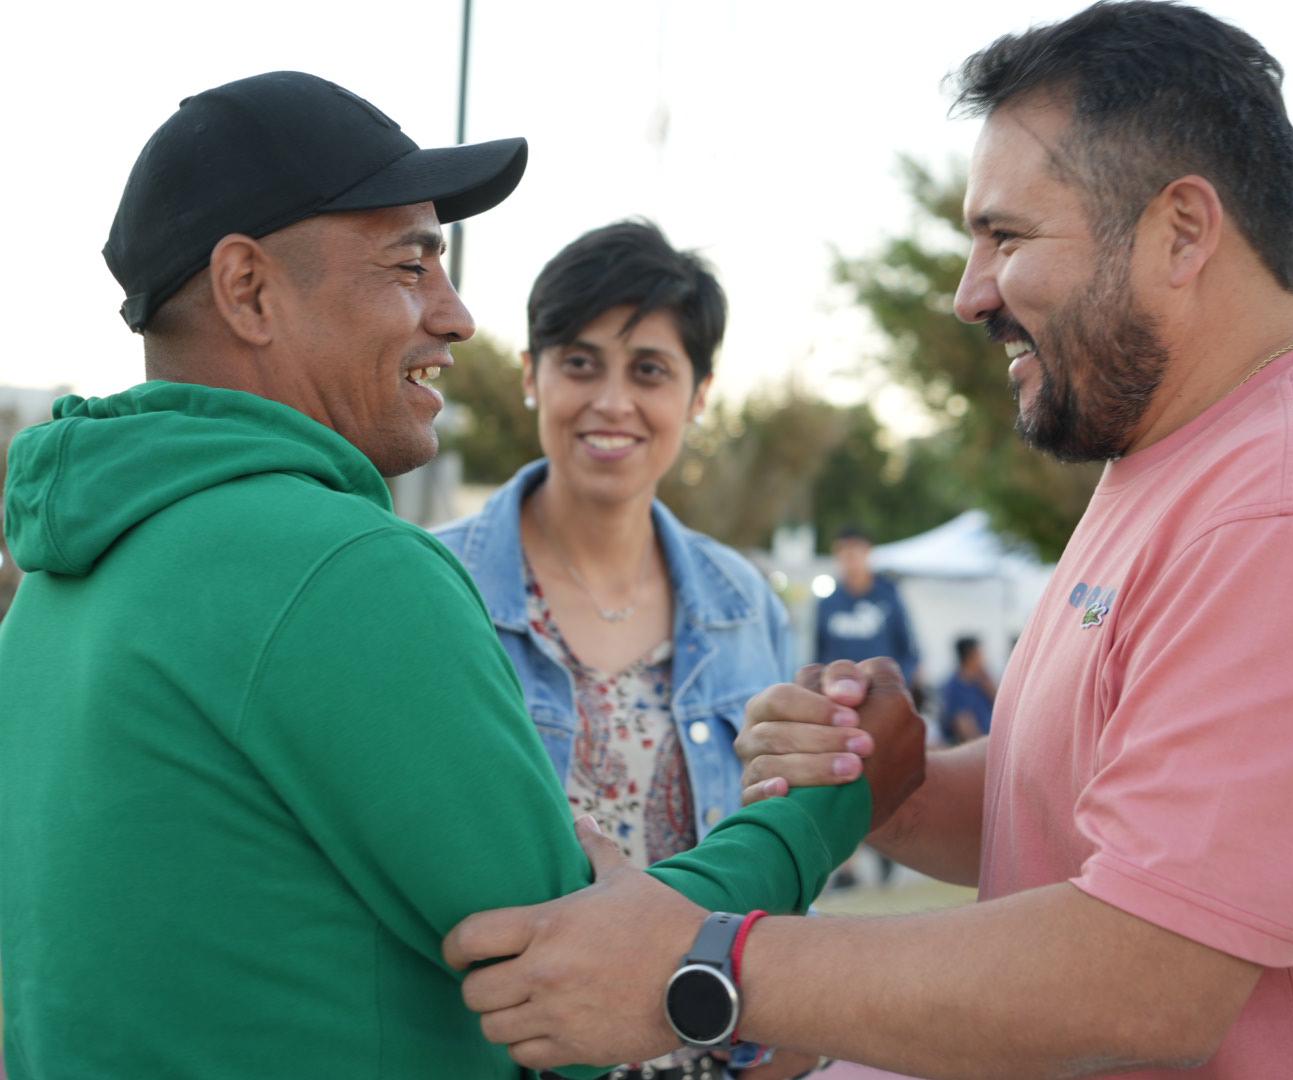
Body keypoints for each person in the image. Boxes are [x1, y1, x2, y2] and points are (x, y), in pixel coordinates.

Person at [440, 4, 1293, 1077]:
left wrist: (693, 965)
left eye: (1005, 238)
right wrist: (895, 783)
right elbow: (1109, 830)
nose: (970, 296)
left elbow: (1139, 979)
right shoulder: (1186, 466)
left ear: (1179, 231)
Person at [0, 71, 923, 1080]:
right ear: (248, 289)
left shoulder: (60, 581)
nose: (455, 316)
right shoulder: (342, 567)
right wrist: (826, 803)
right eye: (410, 265)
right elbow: (576, 993)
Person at [433, 220, 829, 1080]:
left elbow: (778, 856)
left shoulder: (745, 606)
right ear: (533, 376)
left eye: (649, 370)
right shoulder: (432, 587)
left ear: (697, 395)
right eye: (580, 363)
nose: (612, 401)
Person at [814, 524, 919, 686]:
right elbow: (819, 653)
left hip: (882, 692)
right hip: (840, 694)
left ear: (868, 552)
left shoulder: (888, 597)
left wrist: (897, 684)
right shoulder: (828, 603)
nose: (851, 561)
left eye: (855, 553)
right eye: (844, 554)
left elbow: (908, 650)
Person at [937, 635, 995, 745]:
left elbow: (1002, 706)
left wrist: (989, 685)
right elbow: (967, 731)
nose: (985, 658)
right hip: (980, 747)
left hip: (990, 740)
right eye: (980, 654)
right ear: (971, 656)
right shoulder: (954, 688)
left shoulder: (981, 679)